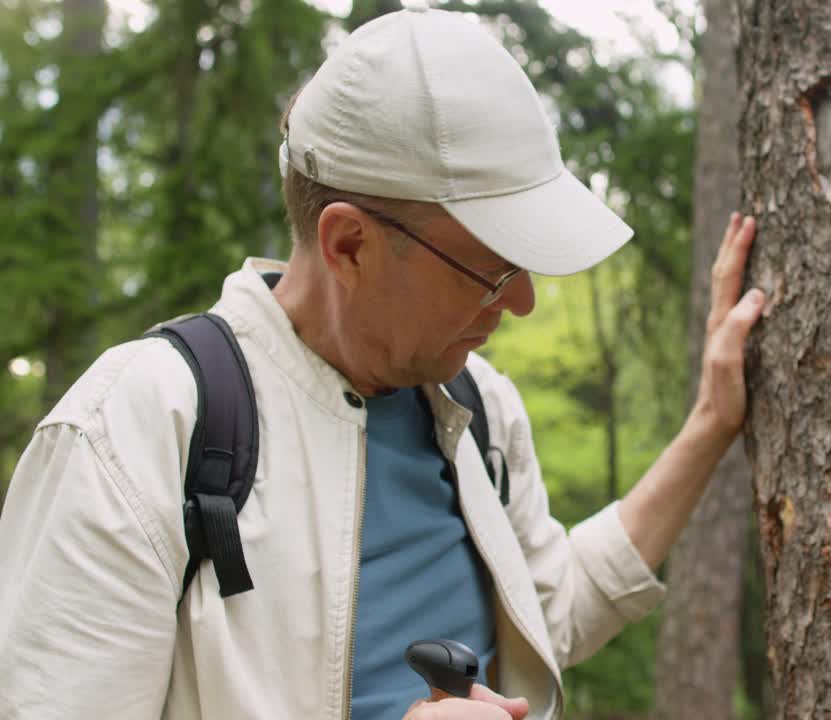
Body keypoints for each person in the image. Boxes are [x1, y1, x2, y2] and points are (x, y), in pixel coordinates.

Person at [0, 7, 764, 720]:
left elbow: (552, 612)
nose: (524, 300)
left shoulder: (479, 414)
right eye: (493, 268)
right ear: (350, 245)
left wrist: (710, 423)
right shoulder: (132, 433)